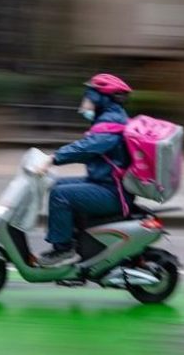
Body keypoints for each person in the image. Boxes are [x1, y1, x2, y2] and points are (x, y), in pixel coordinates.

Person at [31, 73, 134, 267]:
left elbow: (86, 148)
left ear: (100, 98)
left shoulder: (112, 122)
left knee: (61, 195)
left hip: (113, 192)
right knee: (57, 185)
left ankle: (64, 250)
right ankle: (75, 240)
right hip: (106, 183)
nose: (85, 102)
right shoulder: (110, 117)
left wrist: (53, 158)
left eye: (89, 97)